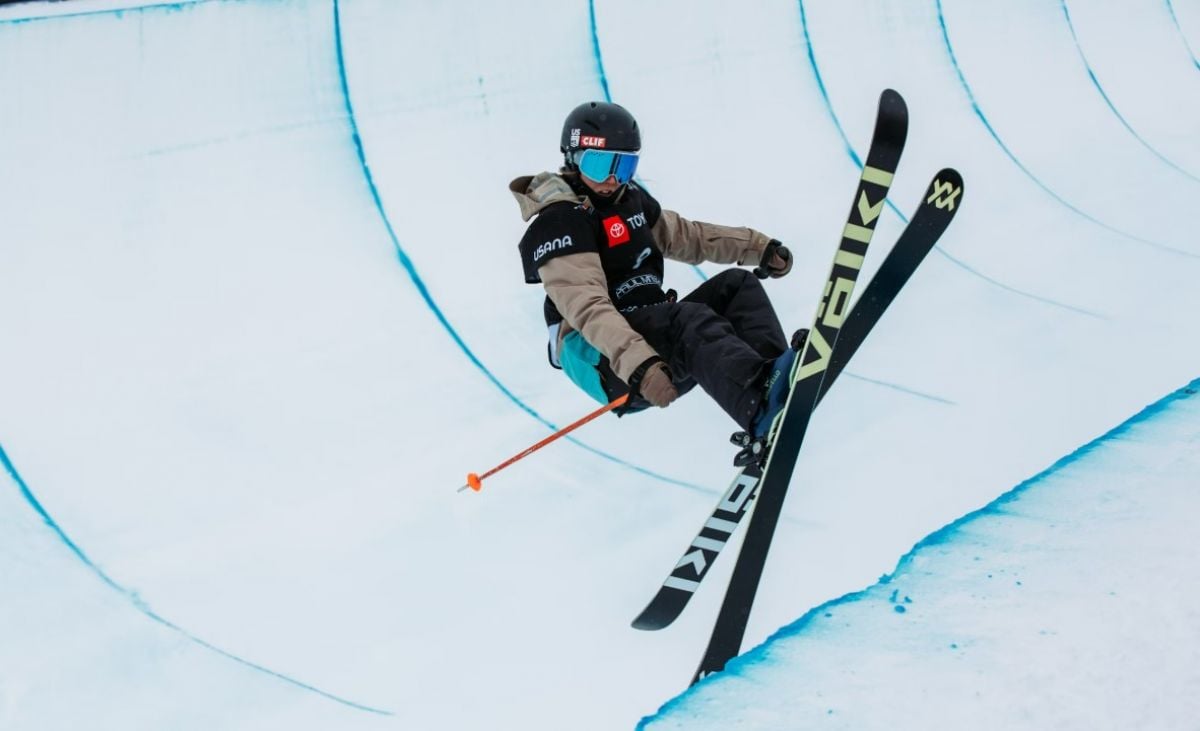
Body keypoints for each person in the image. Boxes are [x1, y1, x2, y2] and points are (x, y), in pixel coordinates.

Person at [510, 101, 803, 440]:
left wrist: (757, 248)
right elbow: (588, 309)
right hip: (607, 360)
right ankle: (759, 412)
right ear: (574, 159)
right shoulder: (560, 222)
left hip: (647, 335)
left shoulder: (628, 200)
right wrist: (639, 365)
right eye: (600, 164)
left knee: (736, 287)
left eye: (623, 167)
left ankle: (773, 387)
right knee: (688, 321)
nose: (610, 180)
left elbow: (688, 236)